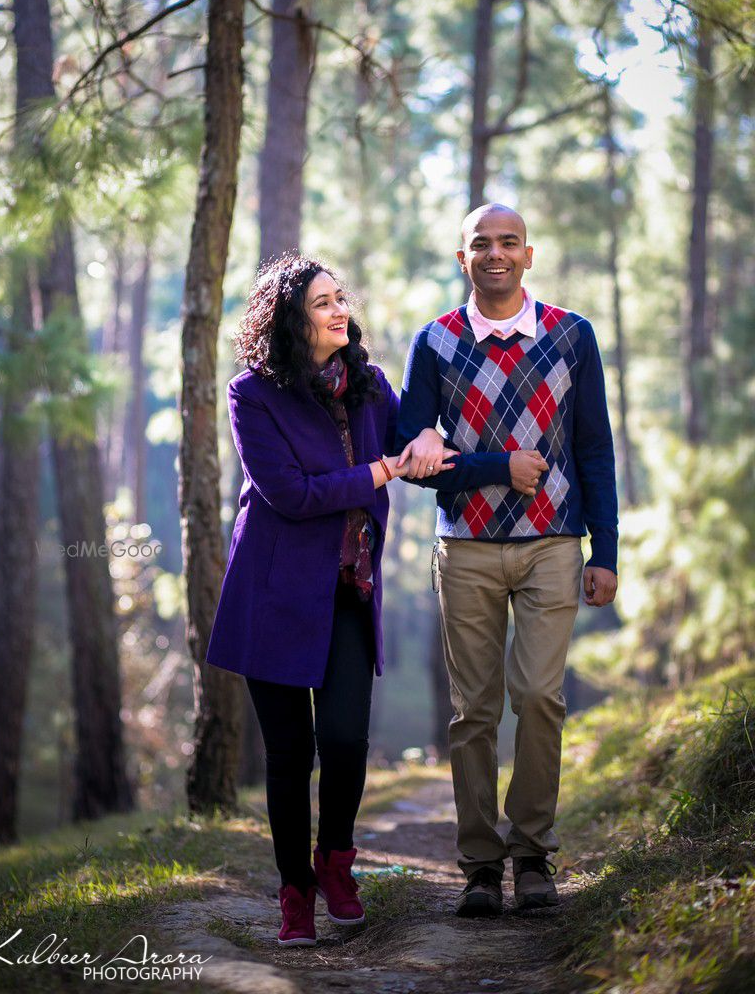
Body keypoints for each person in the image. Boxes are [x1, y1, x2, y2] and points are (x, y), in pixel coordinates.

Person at [204, 254, 459, 948]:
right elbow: (288, 495)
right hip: (274, 592)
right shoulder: (251, 394)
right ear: (290, 319)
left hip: (348, 590)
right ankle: (294, 893)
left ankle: (336, 862)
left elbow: (418, 449)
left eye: (340, 298)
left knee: (344, 740)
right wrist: (380, 470)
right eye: (322, 303)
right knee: (288, 756)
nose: (339, 310)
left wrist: (431, 435)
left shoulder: (370, 386)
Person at [396, 203, 618, 917]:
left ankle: (531, 854)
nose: (494, 254)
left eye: (507, 243)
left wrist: (604, 549)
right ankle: (480, 867)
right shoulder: (434, 343)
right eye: (479, 245)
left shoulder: (571, 336)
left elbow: (594, 448)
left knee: (540, 699)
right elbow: (412, 461)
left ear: (529, 254)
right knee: (474, 711)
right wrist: (497, 466)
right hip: (464, 549)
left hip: (554, 544)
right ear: (462, 260)